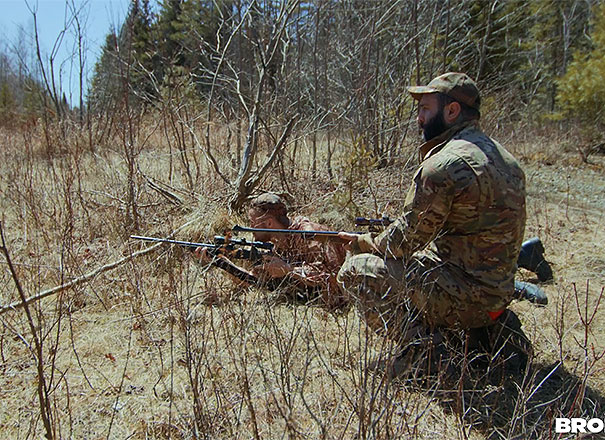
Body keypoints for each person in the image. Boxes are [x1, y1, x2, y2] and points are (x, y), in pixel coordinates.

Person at [337, 72, 530, 376]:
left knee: (357, 271)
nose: (419, 118)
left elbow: (403, 243)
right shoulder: (506, 158)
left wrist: (367, 243)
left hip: (467, 298)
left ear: (451, 111)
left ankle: (424, 354)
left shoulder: (443, 165)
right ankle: (487, 334)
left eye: (425, 109)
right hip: (498, 294)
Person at [198, 193, 349, 309]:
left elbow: (334, 279)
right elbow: (255, 281)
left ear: (269, 223)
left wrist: (288, 270)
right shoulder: (277, 244)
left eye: (252, 223)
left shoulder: (310, 235)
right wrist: (221, 262)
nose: (251, 229)